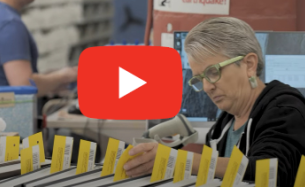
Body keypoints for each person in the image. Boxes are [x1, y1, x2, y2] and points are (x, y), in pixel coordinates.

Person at [123, 17, 305, 186]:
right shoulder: (223, 125)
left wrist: (177, 160)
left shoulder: (285, 108)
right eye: (199, 79)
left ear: (249, 65)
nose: (207, 87)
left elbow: (271, 172)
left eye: (212, 72)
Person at [0, 0, 78, 117]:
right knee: (79, 139)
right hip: (8, 133)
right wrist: (63, 76)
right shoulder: (8, 23)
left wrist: (55, 80)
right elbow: (25, 86)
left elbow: (18, 80)